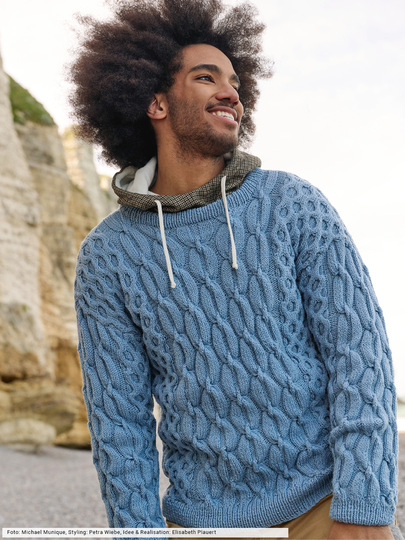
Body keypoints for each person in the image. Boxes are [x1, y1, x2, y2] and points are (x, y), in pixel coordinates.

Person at [70, 0, 398, 538]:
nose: (231, 93)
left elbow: (360, 358)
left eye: (235, 82)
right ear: (154, 101)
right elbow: (119, 422)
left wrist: (364, 506)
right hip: (203, 521)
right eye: (206, 78)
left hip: (328, 506)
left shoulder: (292, 204)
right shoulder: (108, 256)